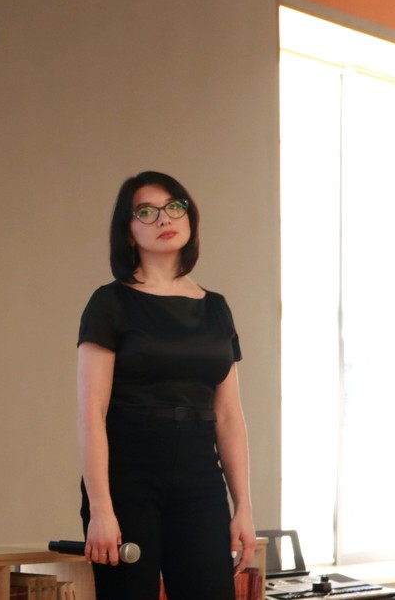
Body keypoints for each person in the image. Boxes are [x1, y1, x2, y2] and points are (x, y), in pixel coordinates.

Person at [76, 171, 254, 599]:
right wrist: (101, 509)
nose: (164, 218)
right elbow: (91, 413)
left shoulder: (216, 308)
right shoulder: (110, 303)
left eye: (174, 207)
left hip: (199, 478)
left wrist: (244, 507)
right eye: (146, 212)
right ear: (128, 231)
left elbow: (229, 416)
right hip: (127, 479)